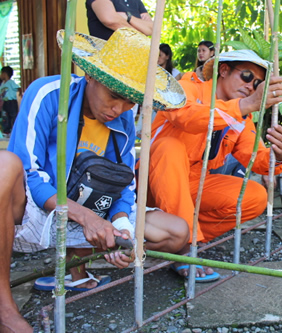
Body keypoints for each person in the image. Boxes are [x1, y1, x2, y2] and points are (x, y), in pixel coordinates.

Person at [0, 28, 188, 332]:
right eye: (114, 96)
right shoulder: (48, 93)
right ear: (91, 76)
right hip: (37, 213)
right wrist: (86, 217)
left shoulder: (123, 119)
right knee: (4, 166)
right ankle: (4, 307)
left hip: (90, 215)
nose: (119, 109)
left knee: (177, 232)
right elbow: (29, 173)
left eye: (130, 102)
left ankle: (77, 271)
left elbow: (124, 185)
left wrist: (122, 229)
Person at [147, 50, 282, 280]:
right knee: (169, 147)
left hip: (193, 185)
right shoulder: (188, 87)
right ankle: (184, 248)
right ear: (223, 71)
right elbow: (185, 116)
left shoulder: (242, 117)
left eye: (257, 83)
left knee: (255, 196)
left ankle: (183, 236)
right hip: (151, 185)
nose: (250, 86)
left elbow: (257, 159)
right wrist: (244, 106)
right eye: (246, 76)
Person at [86, 0, 153, 40]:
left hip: (133, 57)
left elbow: (152, 29)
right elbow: (110, 20)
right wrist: (140, 34)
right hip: (107, 57)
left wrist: (128, 17)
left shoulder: (136, 1)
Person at [0, 66, 20, 135]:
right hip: (4, 102)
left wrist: (20, 94)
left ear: (5, 74)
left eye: (1, 73)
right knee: (5, 116)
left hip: (11, 102)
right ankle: (6, 131)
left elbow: (18, 88)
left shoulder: (11, 82)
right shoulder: (2, 84)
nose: (0, 75)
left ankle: (14, 130)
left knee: (13, 116)